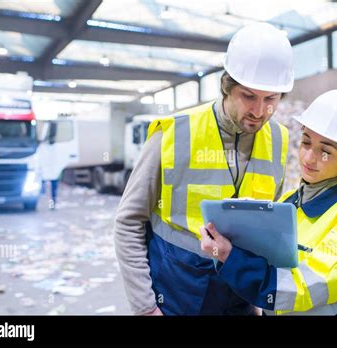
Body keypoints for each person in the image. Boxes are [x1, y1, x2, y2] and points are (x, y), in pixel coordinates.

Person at [114, 22, 295, 315]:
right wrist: (145, 307)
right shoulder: (173, 133)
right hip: (175, 295)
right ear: (226, 87)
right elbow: (128, 221)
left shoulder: (278, 140)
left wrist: (262, 302)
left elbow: (269, 231)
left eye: (270, 99)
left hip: (240, 298)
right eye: (249, 96)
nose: (259, 111)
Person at [200, 89, 337, 315]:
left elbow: (304, 288)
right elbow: (270, 265)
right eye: (306, 142)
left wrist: (231, 257)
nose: (308, 158)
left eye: (325, 151)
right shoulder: (288, 204)